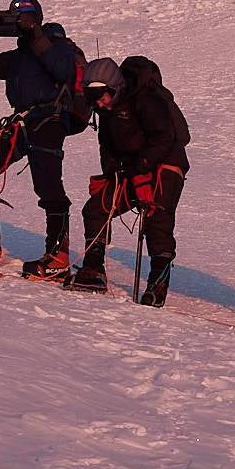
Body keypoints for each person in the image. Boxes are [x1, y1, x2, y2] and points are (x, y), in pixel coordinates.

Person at [0, 0, 87, 269]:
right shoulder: (20, 55)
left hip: (50, 120)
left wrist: (36, 34)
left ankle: (58, 257)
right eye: (16, 17)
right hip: (22, 123)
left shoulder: (56, 43)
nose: (21, 22)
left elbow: (63, 71)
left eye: (27, 16)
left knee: (48, 186)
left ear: (38, 18)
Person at [64, 55, 191, 303]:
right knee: (96, 208)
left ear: (114, 87)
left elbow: (164, 138)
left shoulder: (147, 101)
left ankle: (158, 283)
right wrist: (111, 172)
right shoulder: (106, 110)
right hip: (133, 170)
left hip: (166, 164)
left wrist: (141, 167)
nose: (98, 103)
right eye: (92, 98)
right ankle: (93, 269)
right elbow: (107, 147)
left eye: (101, 95)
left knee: (157, 217)